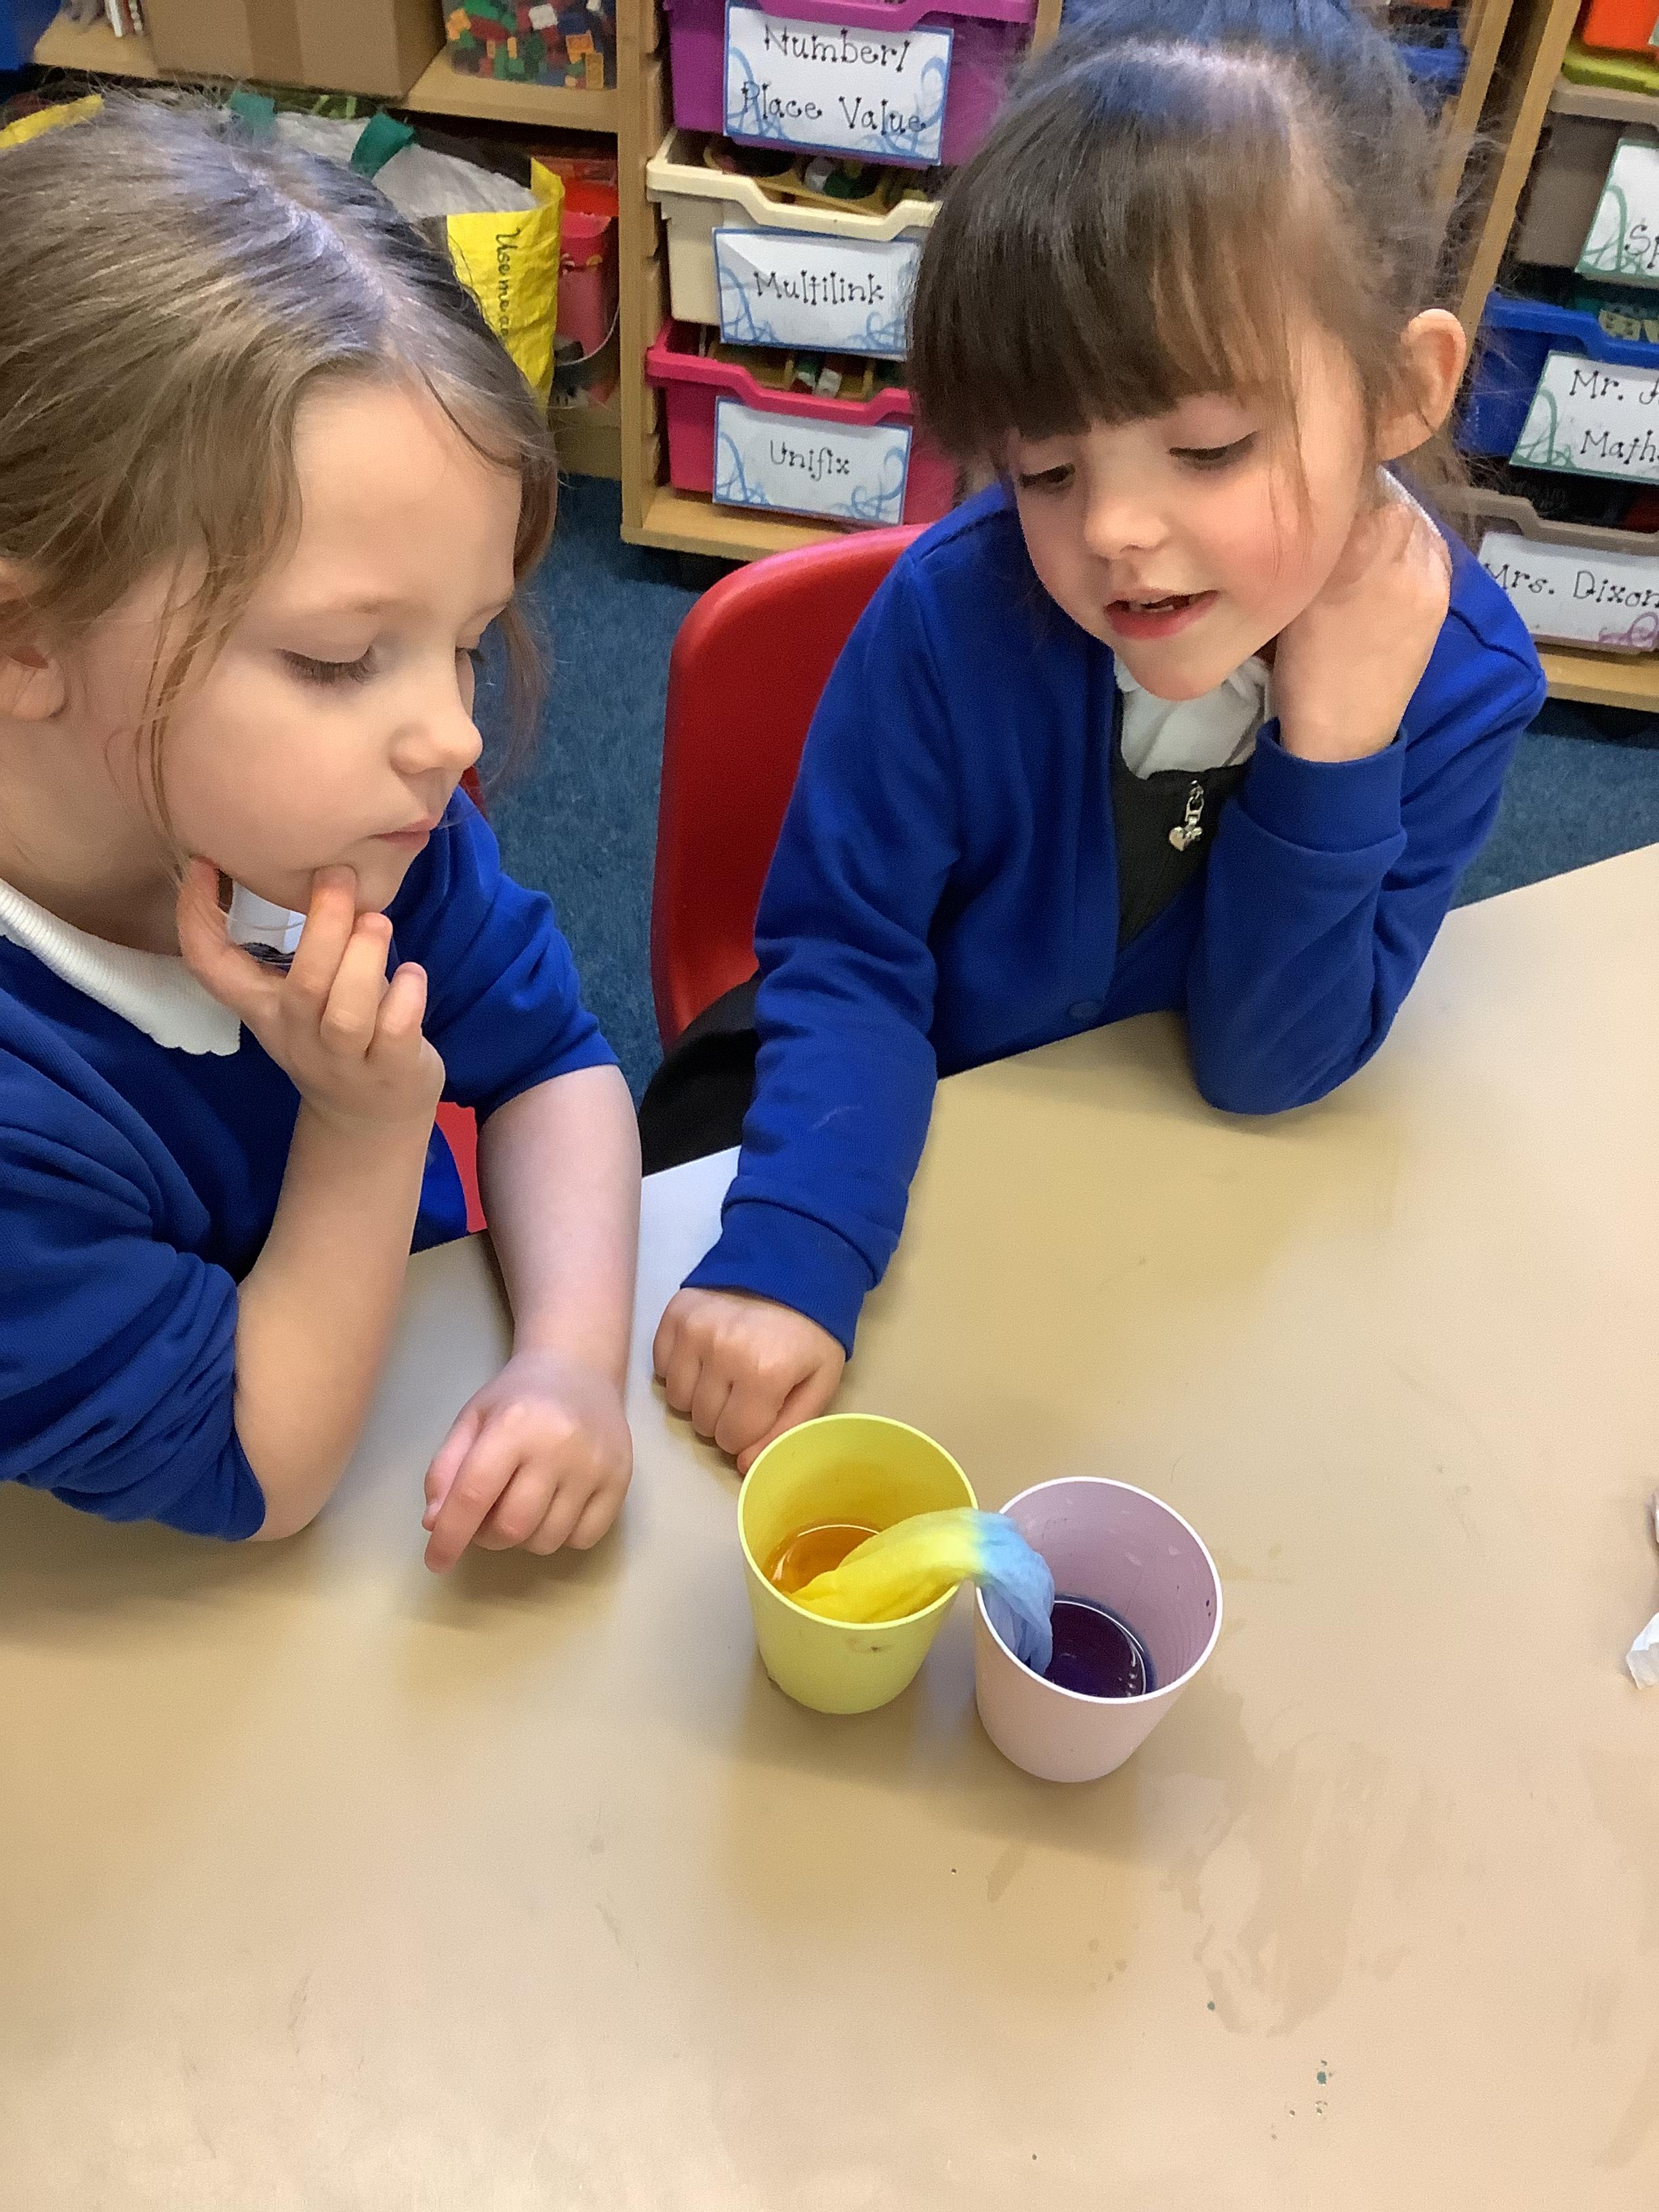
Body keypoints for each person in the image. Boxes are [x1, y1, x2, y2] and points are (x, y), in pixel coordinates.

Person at [653, 0, 1546, 1469]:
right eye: (1047, 469)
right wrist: (795, 1244)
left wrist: (1334, 745)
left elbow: (1268, 1068)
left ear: (1402, 391)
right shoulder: (957, 618)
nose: (1117, 531)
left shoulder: (1456, 684)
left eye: (1208, 449)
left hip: (1172, 1236)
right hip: (904, 1126)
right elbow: (851, 955)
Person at [0, 101, 640, 1569]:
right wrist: (364, 1127)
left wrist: (570, 1361)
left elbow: (553, 1058)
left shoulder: (352, 822)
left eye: (466, 642)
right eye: (342, 660)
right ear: (27, 639)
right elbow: (257, 1468)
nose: (453, 738)